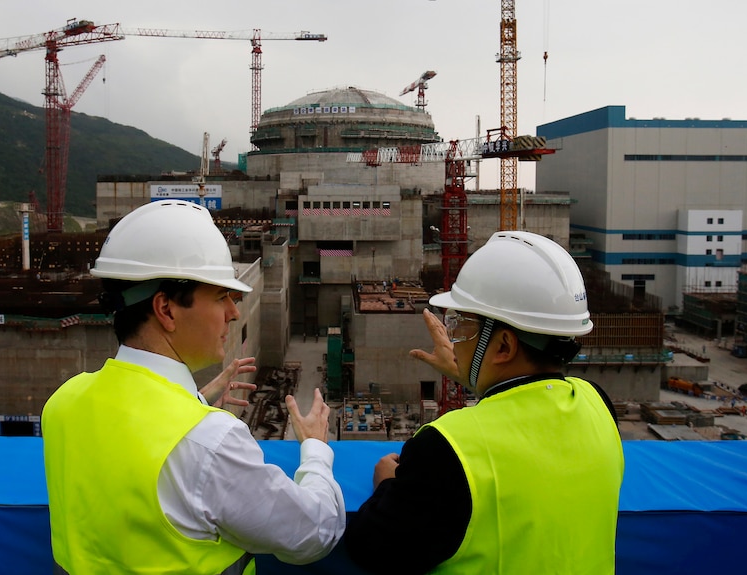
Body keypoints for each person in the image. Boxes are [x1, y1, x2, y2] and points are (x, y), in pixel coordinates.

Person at [42, 199, 345, 575]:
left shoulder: (64, 402)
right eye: (221, 297)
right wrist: (315, 448)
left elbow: (132, 453)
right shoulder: (210, 441)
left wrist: (195, 399)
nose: (234, 313)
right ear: (166, 310)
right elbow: (316, 532)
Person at [344, 230, 624, 574]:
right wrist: (475, 374)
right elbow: (526, 410)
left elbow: (371, 548)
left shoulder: (447, 447)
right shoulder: (598, 404)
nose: (453, 339)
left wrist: (387, 483)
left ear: (504, 346)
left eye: (461, 327)